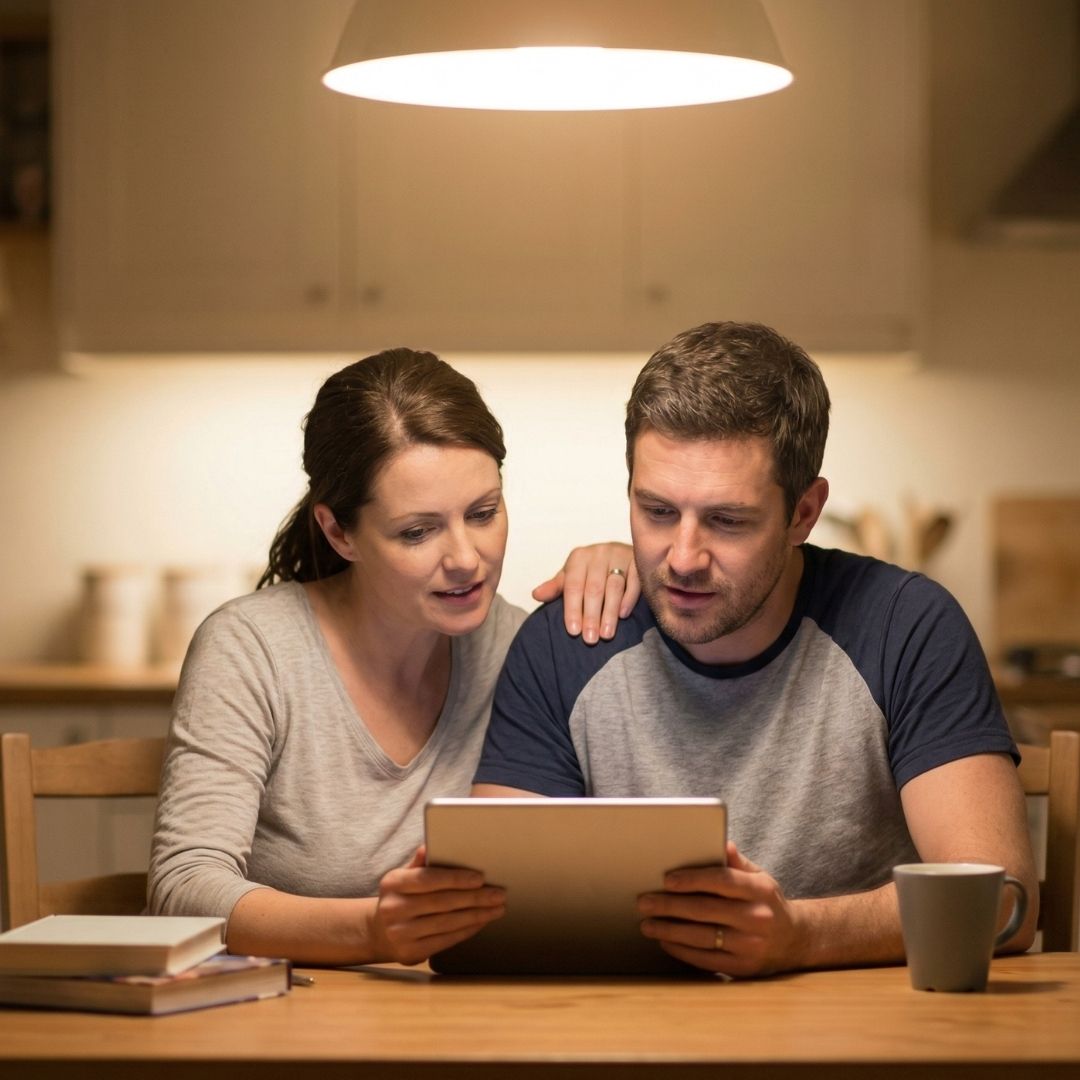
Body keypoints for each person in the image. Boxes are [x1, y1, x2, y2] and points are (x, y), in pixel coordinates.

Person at [473, 320, 1038, 977]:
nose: (682, 559)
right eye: (657, 512)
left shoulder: (904, 627)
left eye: (727, 521)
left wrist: (803, 938)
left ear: (804, 512)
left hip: (860, 1043)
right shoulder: (567, 640)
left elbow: (1002, 902)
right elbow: (495, 918)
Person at [148, 347, 638, 966]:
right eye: (417, 531)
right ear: (338, 532)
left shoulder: (524, 650)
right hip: (286, 1027)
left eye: (483, 513)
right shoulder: (253, 650)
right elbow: (183, 888)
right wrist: (374, 931)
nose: (466, 557)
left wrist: (638, 568)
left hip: (467, 1022)